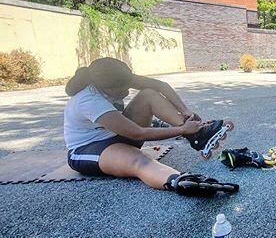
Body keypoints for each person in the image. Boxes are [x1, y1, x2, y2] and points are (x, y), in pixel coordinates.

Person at [64, 57, 237, 196]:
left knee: (148, 94)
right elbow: (138, 133)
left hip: (119, 135)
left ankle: (197, 136)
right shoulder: (88, 101)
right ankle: (180, 181)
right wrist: (181, 130)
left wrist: (185, 112)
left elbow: (161, 86)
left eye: (128, 85)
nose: (126, 91)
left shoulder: (118, 77)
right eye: (121, 90)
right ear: (106, 88)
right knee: (139, 160)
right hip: (89, 149)